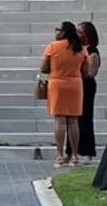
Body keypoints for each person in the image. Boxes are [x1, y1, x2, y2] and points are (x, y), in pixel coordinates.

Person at [40, 18, 86, 169]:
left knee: (60, 120)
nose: (56, 32)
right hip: (75, 84)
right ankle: (74, 155)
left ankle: (60, 156)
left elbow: (43, 68)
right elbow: (85, 70)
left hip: (57, 84)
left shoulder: (53, 46)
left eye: (57, 30)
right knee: (73, 121)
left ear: (63, 32)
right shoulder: (80, 48)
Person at [78, 18, 102, 160]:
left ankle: (88, 151)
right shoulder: (78, 49)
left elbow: (91, 73)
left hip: (86, 86)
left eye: (79, 31)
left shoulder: (92, 52)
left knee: (86, 118)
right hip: (76, 85)